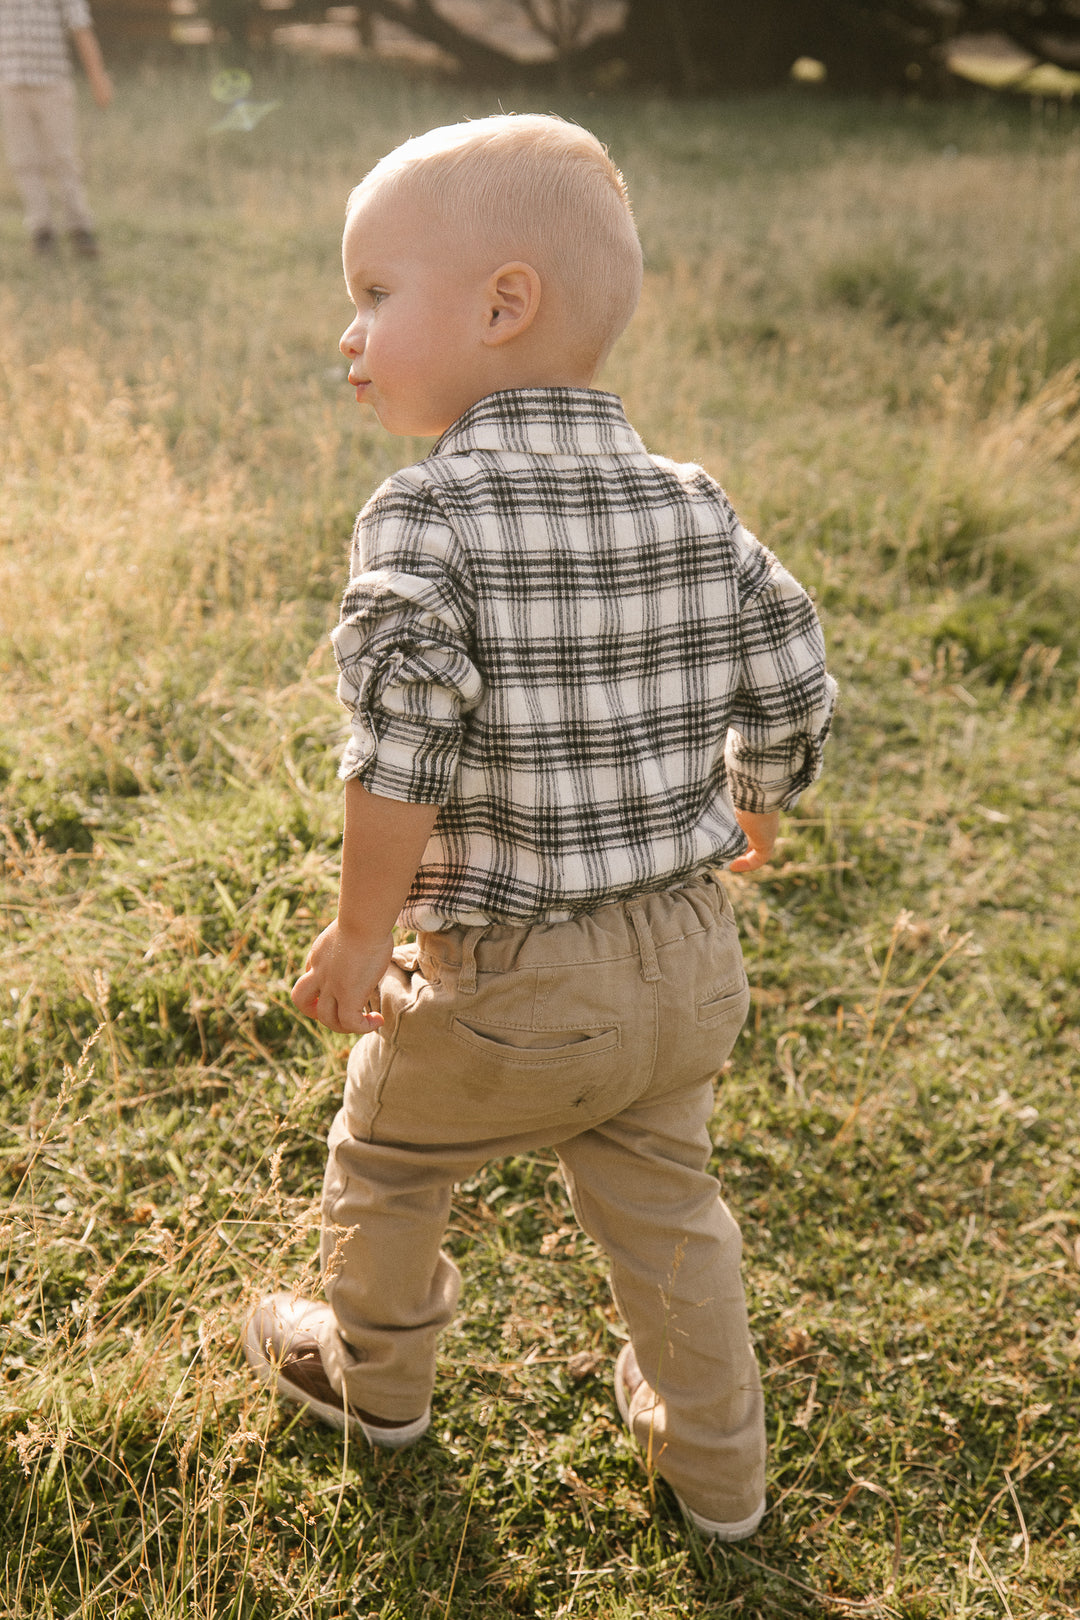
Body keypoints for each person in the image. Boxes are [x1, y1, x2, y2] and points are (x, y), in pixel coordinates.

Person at [243, 113, 836, 1542]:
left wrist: (362, 928)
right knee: (668, 1206)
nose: (351, 332)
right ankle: (721, 1478)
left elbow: (402, 754)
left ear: (503, 305)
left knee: (388, 1160)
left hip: (507, 979)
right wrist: (758, 794)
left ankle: (374, 1382)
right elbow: (794, 667)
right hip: (689, 967)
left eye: (377, 294)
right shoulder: (694, 503)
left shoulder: (424, 517)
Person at [0, 0, 112, 256]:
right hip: (10, 84)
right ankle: (42, 231)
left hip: (53, 83)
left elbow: (81, 27)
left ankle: (80, 228)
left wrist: (98, 78)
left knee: (63, 158)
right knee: (24, 161)